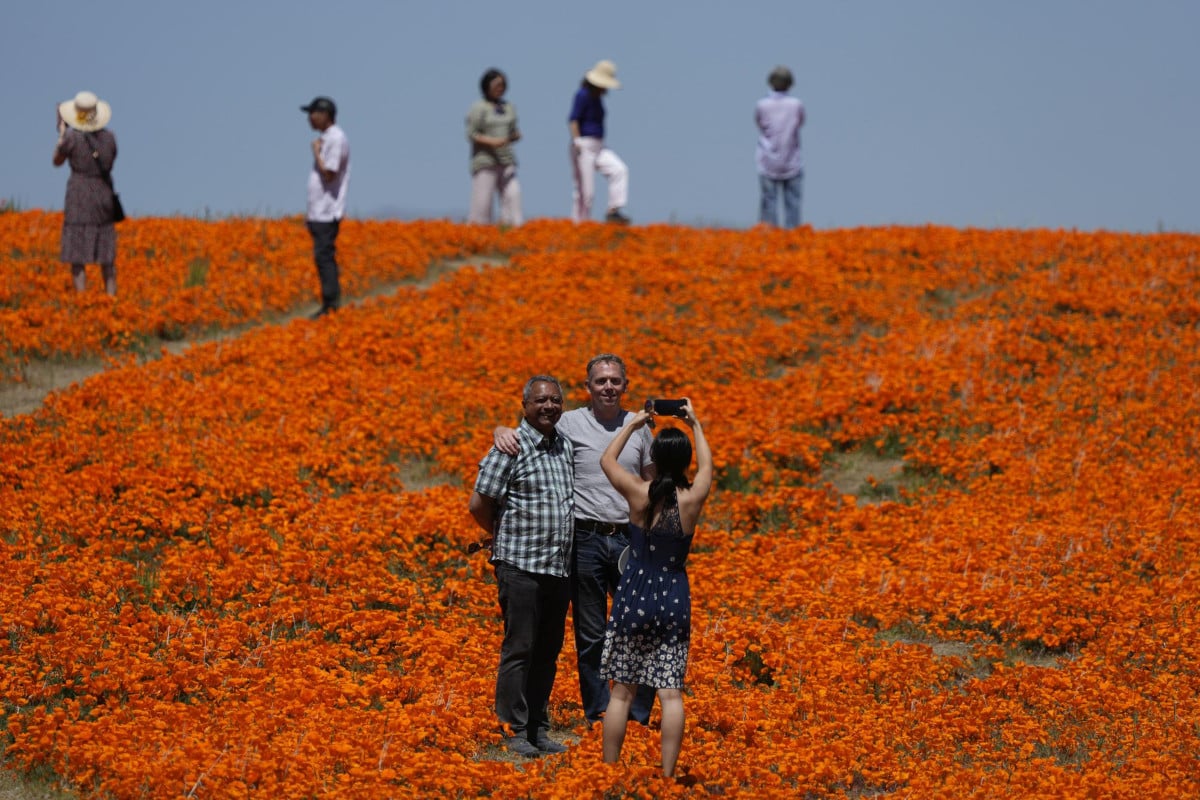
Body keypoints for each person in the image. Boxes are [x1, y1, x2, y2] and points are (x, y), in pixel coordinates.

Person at [494, 354, 658, 727]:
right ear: (588, 387)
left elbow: (651, 482)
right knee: (591, 633)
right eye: (601, 381)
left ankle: (637, 712)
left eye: (615, 380)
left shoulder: (639, 426)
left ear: (625, 386)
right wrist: (499, 430)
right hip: (584, 540)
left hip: (630, 539)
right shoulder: (569, 422)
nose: (608, 387)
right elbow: (532, 427)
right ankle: (599, 711)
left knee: (640, 628)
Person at [598, 400, 712, 778]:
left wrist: (632, 426)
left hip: (634, 594)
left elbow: (606, 461)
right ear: (685, 461)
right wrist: (695, 424)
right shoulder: (692, 499)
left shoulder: (637, 492)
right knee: (670, 693)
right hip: (673, 596)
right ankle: (666, 776)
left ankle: (609, 771)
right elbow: (708, 468)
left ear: (654, 457)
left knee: (622, 691)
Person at [469, 375, 575, 758]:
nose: (549, 407)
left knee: (548, 650)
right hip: (520, 565)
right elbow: (479, 503)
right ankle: (511, 728)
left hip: (557, 567)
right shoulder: (509, 447)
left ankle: (536, 729)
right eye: (541, 401)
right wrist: (501, 535)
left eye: (555, 401)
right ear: (525, 405)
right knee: (520, 648)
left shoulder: (563, 445)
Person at [53, 91, 119, 295]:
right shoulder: (109, 138)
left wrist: (62, 134)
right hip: (102, 193)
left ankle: (82, 301)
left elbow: (57, 161)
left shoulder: (72, 138)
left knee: (77, 252)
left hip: (79, 194)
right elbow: (111, 160)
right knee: (106, 253)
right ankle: (111, 299)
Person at [301, 96, 350, 318]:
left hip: (327, 211)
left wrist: (316, 153)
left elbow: (329, 173)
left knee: (324, 256)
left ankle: (330, 305)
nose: (309, 118)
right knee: (322, 256)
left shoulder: (335, 139)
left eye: (313, 113)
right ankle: (329, 304)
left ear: (325, 115)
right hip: (319, 210)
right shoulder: (327, 138)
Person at [568, 60, 630, 224]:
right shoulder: (582, 94)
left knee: (619, 170)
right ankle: (579, 224)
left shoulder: (598, 99)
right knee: (586, 192)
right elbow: (573, 119)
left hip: (599, 145)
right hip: (584, 145)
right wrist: (577, 140)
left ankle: (613, 210)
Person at [466, 68, 523, 226]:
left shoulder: (508, 107)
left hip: (506, 159)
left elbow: (513, 130)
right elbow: (471, 134)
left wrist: (514, 136)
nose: (500, 88)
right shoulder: (479, 107)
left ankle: (513, 232)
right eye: (497, 85)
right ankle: (480, 234)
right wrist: (492, 142)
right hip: (485, 161)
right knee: (483, 203)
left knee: (513, 196)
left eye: (503, 85)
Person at [755, 66, 806, 228]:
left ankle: (770, 238)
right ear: (790, 84)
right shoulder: (796, 104)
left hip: (767, 159)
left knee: (769, 202)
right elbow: (800, 122)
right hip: (791, 160)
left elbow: (759, 124)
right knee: (792, 203)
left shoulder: (762, 105)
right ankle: (792, 239)